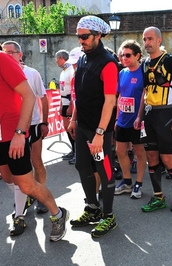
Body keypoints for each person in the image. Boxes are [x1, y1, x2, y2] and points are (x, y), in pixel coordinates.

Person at [0, 20, 69, 265]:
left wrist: (21, 133)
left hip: (13, 138)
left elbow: (29, 95)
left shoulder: (0, 59)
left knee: (27, 185)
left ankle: (57, 213)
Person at [68, 15, 118, 238]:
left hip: (100, 130)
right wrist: (74, 119)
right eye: (79, 37)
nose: (81, 41)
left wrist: (99, 134)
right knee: (81, 165)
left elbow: (110, 101)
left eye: (85, 37)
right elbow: (80, 94)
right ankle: (93, 208)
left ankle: (109, 216)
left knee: (104, 170)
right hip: (83, 125)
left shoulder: (108, 62)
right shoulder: (82, 58)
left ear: (98, 35)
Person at [134, 26, 172, 212]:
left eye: (150, 39)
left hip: (166, 113)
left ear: (159, 41)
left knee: (166, 158)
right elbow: (144, 91)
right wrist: (139, 116)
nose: (146, 43)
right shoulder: (145, 63)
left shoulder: (170, 61)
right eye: (144, 39)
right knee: (151, 156)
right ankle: (158, 197)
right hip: (150, 114)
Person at [1, 40, 50, 236]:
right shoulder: (0, 71)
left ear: (20, 55)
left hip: (33, 124)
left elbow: (43, 97)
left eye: (11, 52)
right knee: (16, 169)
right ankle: (23, 197)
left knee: (36, 162)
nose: (7, 55)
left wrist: (45, 122)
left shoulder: (32, 73)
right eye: (4, 52)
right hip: (12, 127)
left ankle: (41, 197)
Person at [114, 39, 146, 199]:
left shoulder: (144, 72)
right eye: (122, 55)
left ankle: (138, 184)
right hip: (122, 120)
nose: (124, 58)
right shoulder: (122, 73)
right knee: (120, 151)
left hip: (137, 121)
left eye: (127, 55)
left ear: (137, 55)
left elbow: (145, 96)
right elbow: (120, 96)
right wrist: (116, 119)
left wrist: (140, 117)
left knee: (139, 152)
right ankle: (127, 182)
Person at [55, 49, 76, 163]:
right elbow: (62, 89)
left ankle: (77, 152)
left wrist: (71, 105)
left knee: (72, 129)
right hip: (64, 102)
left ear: (62, 59)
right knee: (66, 128)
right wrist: (60, 104)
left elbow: (73, 90)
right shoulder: (63, 71)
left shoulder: (71, 70)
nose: (56, 61)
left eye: (57, 59)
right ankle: (73, 150)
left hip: (70, 103)